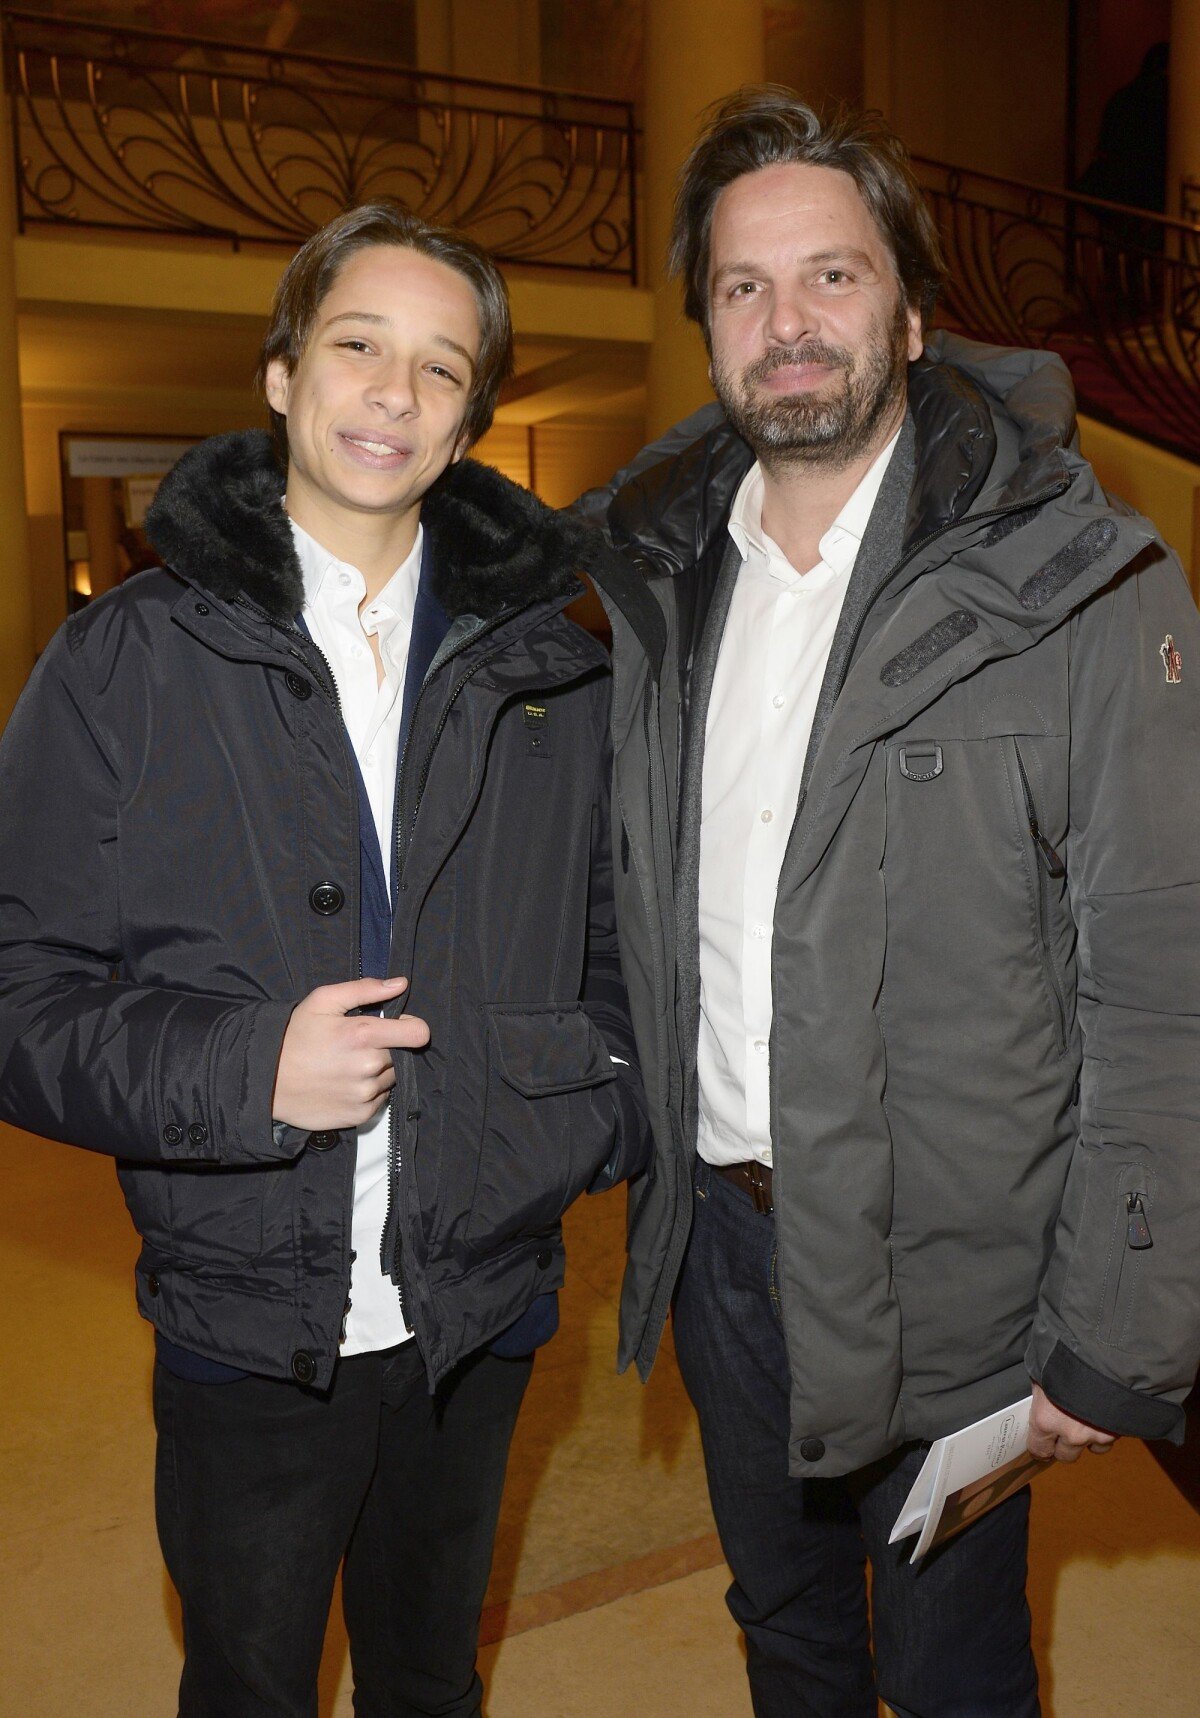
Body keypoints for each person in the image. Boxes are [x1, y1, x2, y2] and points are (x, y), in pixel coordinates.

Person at [583, 89, 1200, 1717]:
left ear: (913, 313)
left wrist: (1121, 1323)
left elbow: (1158, 972)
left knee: (952, 1675)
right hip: (725, 1243)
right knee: (781, 1632)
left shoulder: (1086, 580)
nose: (788, 323)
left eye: (832, 277)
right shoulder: (655, 591)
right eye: (742, 286)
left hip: (959, 1265)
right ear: (709, 325)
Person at [0, 199, 650, 1718]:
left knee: (429, 1673)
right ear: (285, 373)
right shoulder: (124, 660)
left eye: (440, 368)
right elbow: (18, 991)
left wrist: (573, 1118)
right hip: (245, 1307)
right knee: (249, 1680)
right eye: (359, 345)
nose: (394, 394)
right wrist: (248, 1067)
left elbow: (620, 954)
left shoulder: (555, 668)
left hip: (475, 1301)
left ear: (473, 416)